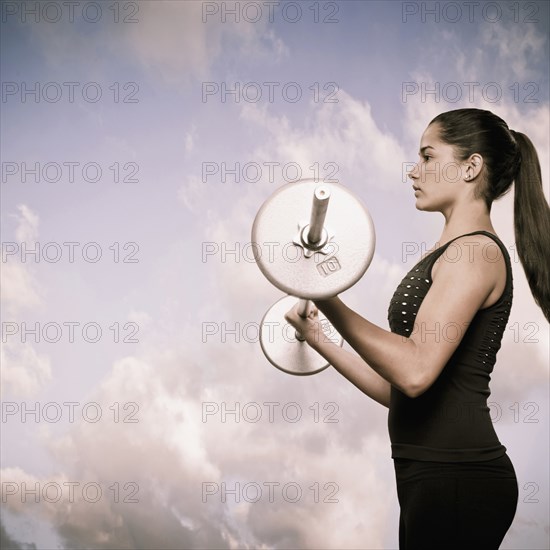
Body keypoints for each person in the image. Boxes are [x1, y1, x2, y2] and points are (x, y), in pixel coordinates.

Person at [284, 108, 550, 549]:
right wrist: (318, 336)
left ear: (471, 167)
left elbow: (414, 371)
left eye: (428, 156)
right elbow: (401, 389)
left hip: (460, 477)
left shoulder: (475, 254)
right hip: (427, 476)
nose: (414, 170)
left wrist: (325, 294)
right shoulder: (447, 253)